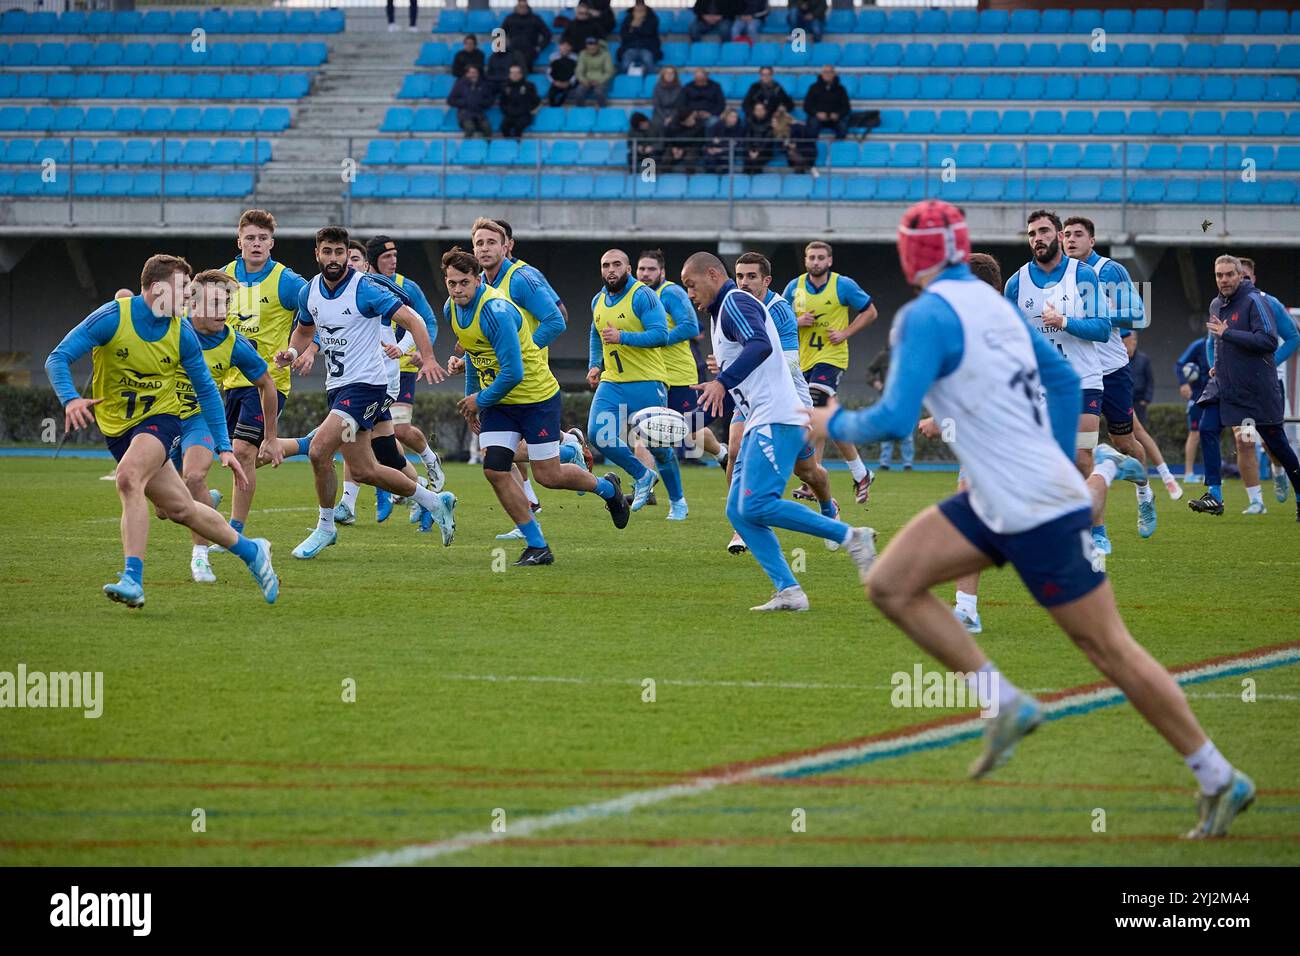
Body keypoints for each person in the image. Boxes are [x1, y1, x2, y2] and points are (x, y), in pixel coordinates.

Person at [817, 200, 1257, 839]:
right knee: (889, 582)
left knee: (1108, 648)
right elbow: (1056, 375)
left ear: (910, 255)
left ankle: (1219, 775)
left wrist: (828, 422)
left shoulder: (926, 316)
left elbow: (886, 422)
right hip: (1002, 495)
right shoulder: (1001, 303)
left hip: (1024, 503)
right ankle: (1006, 703)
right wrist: (1049, 455)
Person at [44, 255, 278, 608]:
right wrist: (70, 399)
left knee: (128, 478)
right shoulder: (113, 318)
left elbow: (208, 393)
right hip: (118, 429)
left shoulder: (181, 331)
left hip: (161, 419)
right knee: (181, 509)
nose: (189, 295)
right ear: (157, 289)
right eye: (184, 288)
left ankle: (132, 579)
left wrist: (225, 446)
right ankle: (251, 551)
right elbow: (57, 357)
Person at [682, 252, 868, 611]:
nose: (690, 293)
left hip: (778, 416)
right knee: (739, 511)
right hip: (761, 418)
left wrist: (722, 381)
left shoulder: (734, 300)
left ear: (711, 275)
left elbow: (762, 345)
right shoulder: (723, 313)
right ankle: (790, 591)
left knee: (759, 502)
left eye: (691, 284)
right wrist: (725, 383)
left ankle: (849, 535)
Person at [441, 248, 629, 565]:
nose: (457, 290)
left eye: (463, 283)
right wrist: (474, 398)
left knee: (548, 476)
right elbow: (475, 353)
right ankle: (537, 545)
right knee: (494, 468)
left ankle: (608, 490)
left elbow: (514, 372)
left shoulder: (495, 312)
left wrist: (479, 399)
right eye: (451, 283)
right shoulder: (452, 309)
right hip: (501, 402)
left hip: (535, 397)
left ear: (476, 280)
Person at [279, 227, 457, 560]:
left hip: (367, 387)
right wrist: (291, 353)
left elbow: (414, 319)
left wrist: (428, 357)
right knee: (364, 470)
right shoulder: (309, 292)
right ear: (317, 254)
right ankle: (435, 501)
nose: (333, 258)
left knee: (319, 451)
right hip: (337, 387)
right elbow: (304, 331)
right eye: (327, 252)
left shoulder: (366, 289)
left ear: (349, 254)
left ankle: (326, 527)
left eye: (339, 252)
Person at [1005, 209, 1146, 558]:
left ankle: (1098, 533)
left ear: (1057, 235)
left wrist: (1064, 321)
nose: (1038, 238)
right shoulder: (1016, 283)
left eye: (1043, 231)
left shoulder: (1084, 274)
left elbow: (1101, 328)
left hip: (1082, 380)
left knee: (1082, 454)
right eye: (1031, 233)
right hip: (1040, 386)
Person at [173, 270, 283, 584]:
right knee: (168, 509)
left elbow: (267, 384)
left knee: (193, 476)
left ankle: (200, 557)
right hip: (163, 419)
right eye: (214, 304)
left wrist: (272, 438)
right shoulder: (172, 328)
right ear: (192, 305)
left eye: (226, 303)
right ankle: (206, 500)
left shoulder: (234, 343)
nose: (223, 311)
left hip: (200, 419)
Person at [729, 252, 839, 556]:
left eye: (751, 277)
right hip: (752, 395)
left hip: (788, 396)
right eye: (739, 276)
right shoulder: (733, 306)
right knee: (735, 449)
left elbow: (789, 364)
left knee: (806, 471)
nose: (744, 282)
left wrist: (736, 366)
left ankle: (829, 508)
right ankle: (741, 523)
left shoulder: (778, 310)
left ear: (766, 281)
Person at [1061, 215, 1157, 547]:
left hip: (1111, 369)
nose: (1070, 240)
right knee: (1081, 453)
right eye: (1066, 235)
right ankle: (1094, 529)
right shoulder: (1057, 274)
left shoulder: (1109, 271)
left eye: (1077, 235)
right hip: (1076, 373)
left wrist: (1094, 314)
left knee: (1124, 443)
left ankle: (1145, 494)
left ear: (1092, 240)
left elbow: (1138, 312)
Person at [220, 208, 310, 543]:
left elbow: (313, 313)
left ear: (271, 243)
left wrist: (303, 350)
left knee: (242, 451)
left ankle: (234, 532)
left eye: (262, 238)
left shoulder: (287, 281)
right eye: (250, 238)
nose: (256, 244)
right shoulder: (223, 278)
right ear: (239, 241)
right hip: (230, 382)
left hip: (269, 383)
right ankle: (303, 444)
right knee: (233, 455)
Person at [1188, 255, 1300, 519]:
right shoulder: (1216, 304)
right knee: (1208, 427)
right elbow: (1214, 341)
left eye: (1229, 274)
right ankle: (1217, 495)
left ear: (1242, 276)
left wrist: (1228, 334)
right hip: (1226, 386)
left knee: (1277, 445)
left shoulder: (1258, 301)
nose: (1224, 280)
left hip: (1257, 388)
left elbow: (1269, 341)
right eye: (1219, 275)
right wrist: (1217, 363)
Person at [586, 249, 685, 513]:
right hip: (613, 382)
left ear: (628, 268)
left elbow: (661, 335)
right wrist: (595, 364)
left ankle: (677, 502)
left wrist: (623, 337)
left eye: (617, 264)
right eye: (605, 265)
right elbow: (596, 334)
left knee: (659, 447)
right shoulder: (598, 299)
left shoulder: (643, 295)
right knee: (598, 434)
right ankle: (643, 475)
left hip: (647, 381)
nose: (611, 270)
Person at [784, 240, 878, 504]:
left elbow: (871, 311)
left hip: (831, 358)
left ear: (829, 260)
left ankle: (816, 476)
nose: (816, 261)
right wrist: (797, 320)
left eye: (820, 257)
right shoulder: (794, 287)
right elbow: (778, 317)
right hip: (803, 362)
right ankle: (858, 473)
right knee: (821, 417)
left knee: (816, 406)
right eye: (811, 257)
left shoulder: (842, 285)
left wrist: (846, 332)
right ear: (805, 260)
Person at [637, 249, 728, 497]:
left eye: (651, 269)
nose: (645, 274)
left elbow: (689, 327)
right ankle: (645, 487)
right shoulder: (636, 296)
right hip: (651, 375)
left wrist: (657, 338)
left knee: (690, 431)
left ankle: (721, 452)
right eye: (641, 269)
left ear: (662, 272)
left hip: (678, 375)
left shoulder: (671, 292)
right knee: (642, 428)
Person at [1238, 257, 1299, 504]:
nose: (1240, 280)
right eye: (1235, 275)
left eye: (1245, 277)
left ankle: (1278, 470)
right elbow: (1213, 343)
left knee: (1273, 443)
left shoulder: (1270, 303)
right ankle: (1255, 502)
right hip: (1240, 388)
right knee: (1245, 439)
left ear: (1253, 279)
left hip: (1270, 385)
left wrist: (1269, 364)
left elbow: (1294, 337)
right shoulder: (1225, 306)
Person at [867, 346, 914, 470]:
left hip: (904, 399)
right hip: (886, 398)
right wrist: (875, 382)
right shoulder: (883, 356)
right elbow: (869, 372)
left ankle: (908, 464)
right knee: (886, 431)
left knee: (907, 433)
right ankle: (884, 464)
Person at [1176, 333, 1211, 484]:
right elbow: (1179, 365)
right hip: (1197, 397)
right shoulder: (1199, 345)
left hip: (1215, 396)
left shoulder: (1225, 344)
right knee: (1194, 433)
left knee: (1211, 434)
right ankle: (1188, 473)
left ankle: (1211, 474)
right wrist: (1183, 383)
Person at [803, 65, 850, 140]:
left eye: (830, 72)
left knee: (843, 127)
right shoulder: (813, 87)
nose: (827, 74)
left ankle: (837, 148)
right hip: (818, 117)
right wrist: (817, 113)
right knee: (812, 127)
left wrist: (838, 114)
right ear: (821, 74)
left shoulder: (841, 89)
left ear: (834, 74)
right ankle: (812, 148)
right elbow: (807, 106)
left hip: (835, 118)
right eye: (825, 72)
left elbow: (846, 107)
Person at [502, 1, 551, 73]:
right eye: (520, 7)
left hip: (530, 51)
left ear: (528, 7)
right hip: (513, 50)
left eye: (524, 7)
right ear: (517, 7)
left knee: (520, 62)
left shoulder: (535, 19)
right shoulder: (509, 18)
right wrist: (503, 47)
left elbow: (547, 35)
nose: (522, 9)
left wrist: (539, 47)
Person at [448, 65, 494, 138]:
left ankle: (488, 147)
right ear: (467, 74)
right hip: (465, 114)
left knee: (487, 128)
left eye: (475, 73)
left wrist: (481, 103)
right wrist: (464, 102)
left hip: (479, 114)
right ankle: (466, 147)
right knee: (470, 128)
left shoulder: (483, 85)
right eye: (471, 73)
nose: (473, 75)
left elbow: (490, 100)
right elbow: (450, 100)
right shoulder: (460, 84)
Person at [617, 1, 661, 74]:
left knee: (648, 62)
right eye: (637, 6)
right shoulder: (628, 18)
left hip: (647, 47)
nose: (639, 9)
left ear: (645, 7)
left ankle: (651, 82)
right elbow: (624, 35)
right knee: (625, 64)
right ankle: (623, 82)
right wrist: (634, 24)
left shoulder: (652, 18)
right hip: (630, 47)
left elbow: (648, 32)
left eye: (641, 6)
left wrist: (636, 25)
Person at [499, 63, 541, 138]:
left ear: (521, 74)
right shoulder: (505, 87)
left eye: (517, 73)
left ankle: (517, 146)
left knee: (518, 128)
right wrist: (507, 111)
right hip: (510, 115)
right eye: (512, 73)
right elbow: (502, 102)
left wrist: (527, 110)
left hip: (524, 115)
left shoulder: (529, 86)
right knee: (503, 127)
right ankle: (509, 145)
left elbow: (536, 100)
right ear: (509, 74)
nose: (514, 75)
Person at [572, 36, 614, 108]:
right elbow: (579, 70)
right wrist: (583, 80)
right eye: (589, 45)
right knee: (578, 92)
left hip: (601, 80)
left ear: (597, 46)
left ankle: (602, 110)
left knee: (599, 92)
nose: (591, 47)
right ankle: (581, 110)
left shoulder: (606, 55)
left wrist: (599, 81)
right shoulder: (582, 54)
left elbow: (609, 71)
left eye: (593, 45)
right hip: (586, 80)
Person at [772, 106, 815, 174]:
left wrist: (795, 144)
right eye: (773, 121)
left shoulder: (796, 127)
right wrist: (788, 145)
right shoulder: (775, 132)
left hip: (805, 152)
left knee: (793, 152)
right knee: (791, 152)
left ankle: (805, 165)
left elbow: (809, 139)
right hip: (793, 155)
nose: (774, 123)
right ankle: (806, 166)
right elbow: (780, 146)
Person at [702, 108, 745, 173]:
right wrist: (711, 147)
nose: (734, 119)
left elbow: (737, 143)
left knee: (726, 157)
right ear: (726, 117)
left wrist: (722, 148)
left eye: (735, 117)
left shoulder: (739, 128)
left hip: (729, 151)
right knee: (709, 156)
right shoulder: (718, 125)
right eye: (732, 116)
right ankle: (710, 177)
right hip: (715, 149)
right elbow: (710, 138)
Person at [1127, 332, 1153, 426]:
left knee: (1140, 429)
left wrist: (1146, 399)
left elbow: (1150, 381)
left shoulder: (1144, 359)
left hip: (1139, 401)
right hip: (1124, 400)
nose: (1132, 342)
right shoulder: (1120, 359)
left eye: (1133, 339)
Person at [742, 100, 773, 175]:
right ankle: (745, 182)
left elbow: (767, 140)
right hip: (751, 149)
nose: (759, 111)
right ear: (754, 111)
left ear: (765, 111)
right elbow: (747, 137)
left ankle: (757, 182)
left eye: (761, 109)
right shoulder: (749, 121)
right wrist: (749, 150)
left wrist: (758, 151)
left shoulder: (770, 123)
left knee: (756, 161)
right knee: (747, 161)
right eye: (757, 109)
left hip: (764, 150)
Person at [650, 65, 684, 132]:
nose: (669, 75)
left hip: (675, 113)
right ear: (663, 75)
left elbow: (679, 106)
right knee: (658, 124)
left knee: (674, 124)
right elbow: (656, 105)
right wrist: (664, 117)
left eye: (671, 73)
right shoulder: (657, 87)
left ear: (675, 75)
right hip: (660, 113)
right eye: (667, 73)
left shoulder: (679, 88)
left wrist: (671, 117)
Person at [546, 38, 578, 107]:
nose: (565, 48)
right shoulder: (553, 57)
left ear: (571, 47)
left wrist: (569, 82)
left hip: (568, 82)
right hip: (556, 81)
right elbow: (549, 72)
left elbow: (576, 73)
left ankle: (558, 109)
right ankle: (553, 110)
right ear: (559, 46)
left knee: (564, 95)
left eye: (567, 46)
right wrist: (554, 82)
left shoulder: (575, 58)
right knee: (551, 95)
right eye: (563, 45)